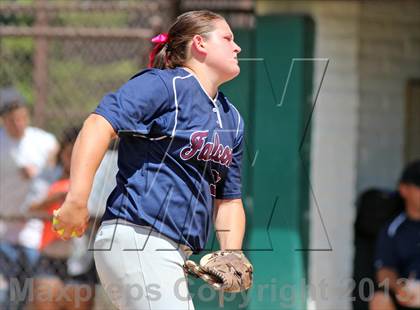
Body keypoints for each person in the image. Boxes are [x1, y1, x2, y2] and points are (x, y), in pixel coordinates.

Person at [53, 10, 247, 309]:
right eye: (227, 38)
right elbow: (98, 124)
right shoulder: (165, 85)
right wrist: (78, 198)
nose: (237, 47)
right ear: (200, 44)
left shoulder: (231, 117)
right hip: (138, 237)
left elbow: (228, 199)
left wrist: (231, 253)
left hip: (170, 253)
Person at [0, 87, 58, 309]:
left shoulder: (44, 141)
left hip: (33, 226)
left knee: (27, 288)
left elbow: (57, 170)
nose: (18, 123)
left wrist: (41, 173)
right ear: (4, 120)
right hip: (4, 225)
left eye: (22, 117)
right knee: (6, 293)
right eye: (12, 119)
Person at [28, 127, 96, 310]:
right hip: (51, 255)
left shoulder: (96, 179)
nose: (73, 160)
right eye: (69, 153)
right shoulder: (50, 176)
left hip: (81, 259)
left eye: (78, 154)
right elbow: (30, 208)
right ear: (61, 153)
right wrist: (59, 196)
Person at [370, 160, 420, 310]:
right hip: (409, 296)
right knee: (380, 300)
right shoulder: (393, 229)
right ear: (404, 189)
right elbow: (384, 271)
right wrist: (400, 288)